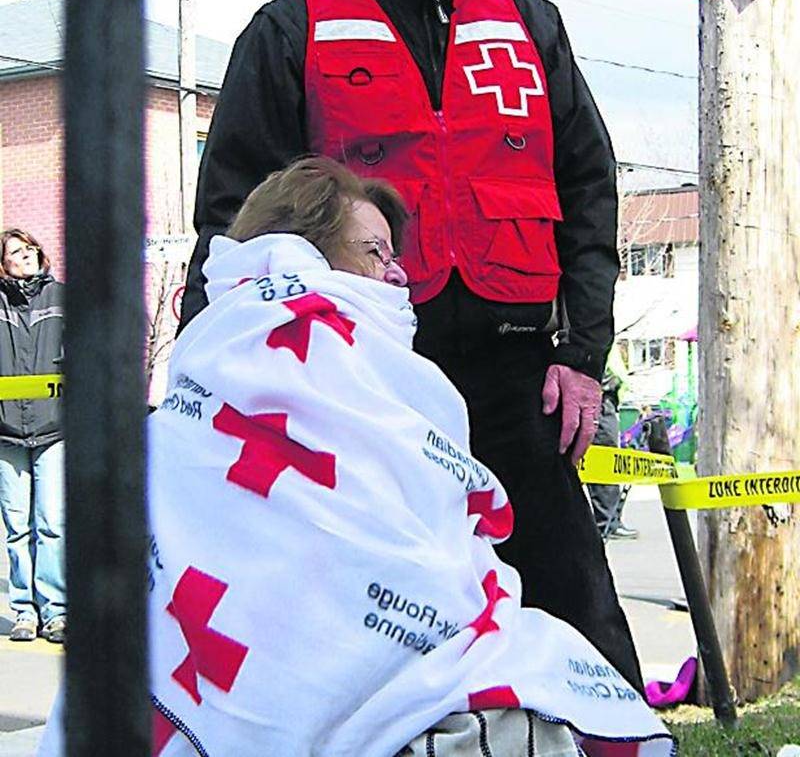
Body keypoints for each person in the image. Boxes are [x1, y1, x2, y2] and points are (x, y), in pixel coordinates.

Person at [179, 0, 641, 689]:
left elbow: (591, 193)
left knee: (576, 611)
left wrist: (583, 355)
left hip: (520, 378)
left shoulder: (532, 23)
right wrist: (217, 374)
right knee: (370, 622)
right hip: (367, 385)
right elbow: (231, 223)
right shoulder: (292, 29)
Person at [39, 157, 671, 757]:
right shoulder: (297, 360)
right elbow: (400, 567)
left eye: (395, 256)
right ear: (303, 255)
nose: (397, 276)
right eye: (374, 253)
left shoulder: (251, 365)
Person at [0, 229, 66, 643]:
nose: (24, 257)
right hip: (6, 434)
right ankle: (24, 610)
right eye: (13, 254)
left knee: (52, 522)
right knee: (17, 526)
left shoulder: (61, 297)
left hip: (54, 429)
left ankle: (56, 610)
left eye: (28, 250)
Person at [586, 344, 639, 541]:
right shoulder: (589, 326)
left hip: (605, 399)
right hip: (598, 398)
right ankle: (607, 521)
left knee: (607, 462)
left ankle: (610, 520)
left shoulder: (604, 331)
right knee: (603, 463)